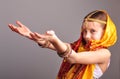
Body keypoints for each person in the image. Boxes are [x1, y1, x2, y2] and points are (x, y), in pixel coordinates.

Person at [8, 10, 117, 79]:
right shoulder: (79, 47)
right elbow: (57, 46)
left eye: (92, 31)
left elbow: (73, 57)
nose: (86, 36)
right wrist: (32, 36)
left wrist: (55, 39)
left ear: (106, 32)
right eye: (84, 31)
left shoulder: (104, 53)